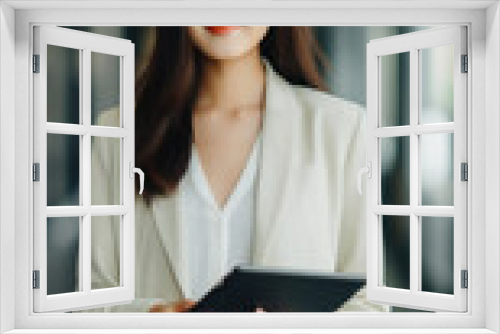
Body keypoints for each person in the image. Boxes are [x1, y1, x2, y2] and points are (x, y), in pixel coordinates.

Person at [87, 26, 386, 312]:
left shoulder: (343, 130)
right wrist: (153, 316)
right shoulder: (117, 135)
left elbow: (369, 305)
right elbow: (89, 301)